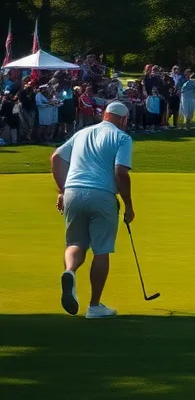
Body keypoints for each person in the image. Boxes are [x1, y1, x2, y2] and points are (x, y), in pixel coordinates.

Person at [51, 101, 135, 319]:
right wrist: (128, 205)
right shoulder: (122, 138)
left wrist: (62, 190)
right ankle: (94, 306)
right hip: (102, 195)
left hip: (73, 192)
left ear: (105, 114)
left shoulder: (82, 133)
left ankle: (69, 271)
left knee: (75, 243)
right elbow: (120, 173)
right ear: (123, 119)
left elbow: (56, 158)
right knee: (101, 249)